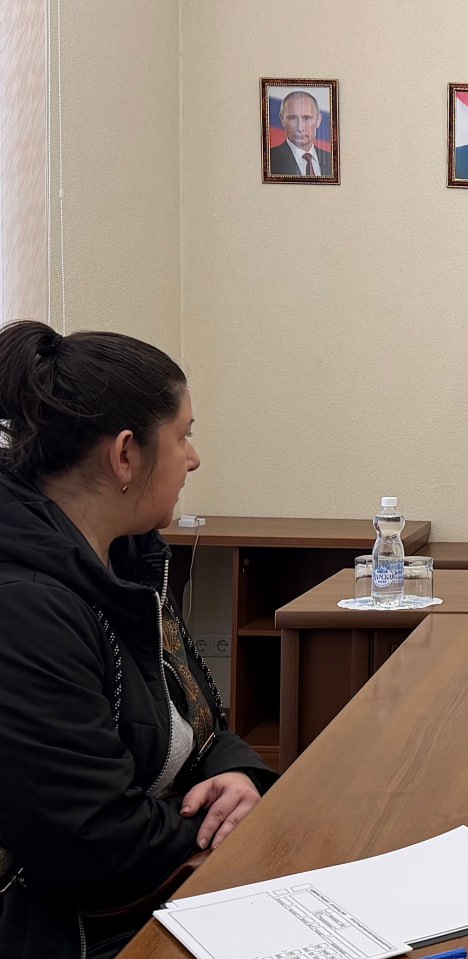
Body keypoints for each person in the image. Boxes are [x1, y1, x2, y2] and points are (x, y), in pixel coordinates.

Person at [0, 321, 277, 958]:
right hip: (73, 932)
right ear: (125, 454)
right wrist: (222, 831)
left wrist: (239, 776)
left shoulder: (126, 563)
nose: (194, 457)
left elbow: (201, 725)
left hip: (156, 888)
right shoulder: (26, 611)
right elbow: (93, 842)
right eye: (182, 436)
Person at [268, 90, 333, 176]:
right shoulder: (269, 159)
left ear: (318, 120)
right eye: (292, 118)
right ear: (282, 120)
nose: (300, 128)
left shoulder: (331, 159)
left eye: (306, 118)